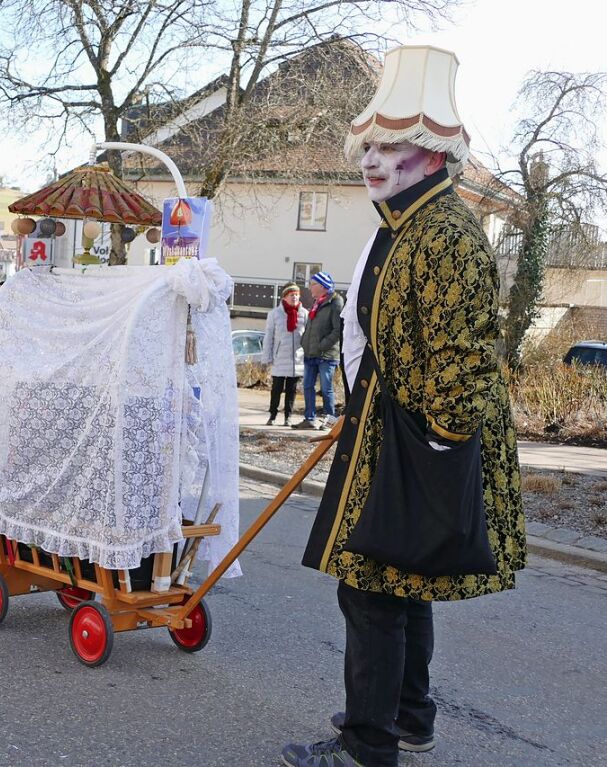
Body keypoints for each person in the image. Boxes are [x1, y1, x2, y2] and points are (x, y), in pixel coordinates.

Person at [281, 46, 527, 767]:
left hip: (419, 442)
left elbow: (466, 357)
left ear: (430, 152)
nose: (371, 157)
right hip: (390, 431)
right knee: (397, 580)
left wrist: (439, 447)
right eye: (369, 144)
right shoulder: (404, 223)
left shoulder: (444, 232)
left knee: (369, 589)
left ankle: (366, 742)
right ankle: (406, 716)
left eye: (390, 145)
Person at [292, 271, 343, 431]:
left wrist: (322, 345)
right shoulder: (317, 302)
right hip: (311, 352)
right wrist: (305, 343)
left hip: (326, 355)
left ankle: (330, 421)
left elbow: (338, 329)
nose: (309, 288)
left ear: (322, 286)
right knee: (307, 386)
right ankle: (309, 419)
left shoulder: (335, 302)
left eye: (312, 284)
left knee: (326, 389)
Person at [262, 283, 307, 426]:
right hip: (280, 357)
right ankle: (273, 415)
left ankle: (288, 416)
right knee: (276, 389)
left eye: (296, 294)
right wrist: (267, 357)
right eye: (291, 295)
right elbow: (269, 337)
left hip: (297, 359)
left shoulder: (304, 314)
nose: (294, 297)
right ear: (285, 297)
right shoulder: (275, 314)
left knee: (291, 390)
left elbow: (307, 336)